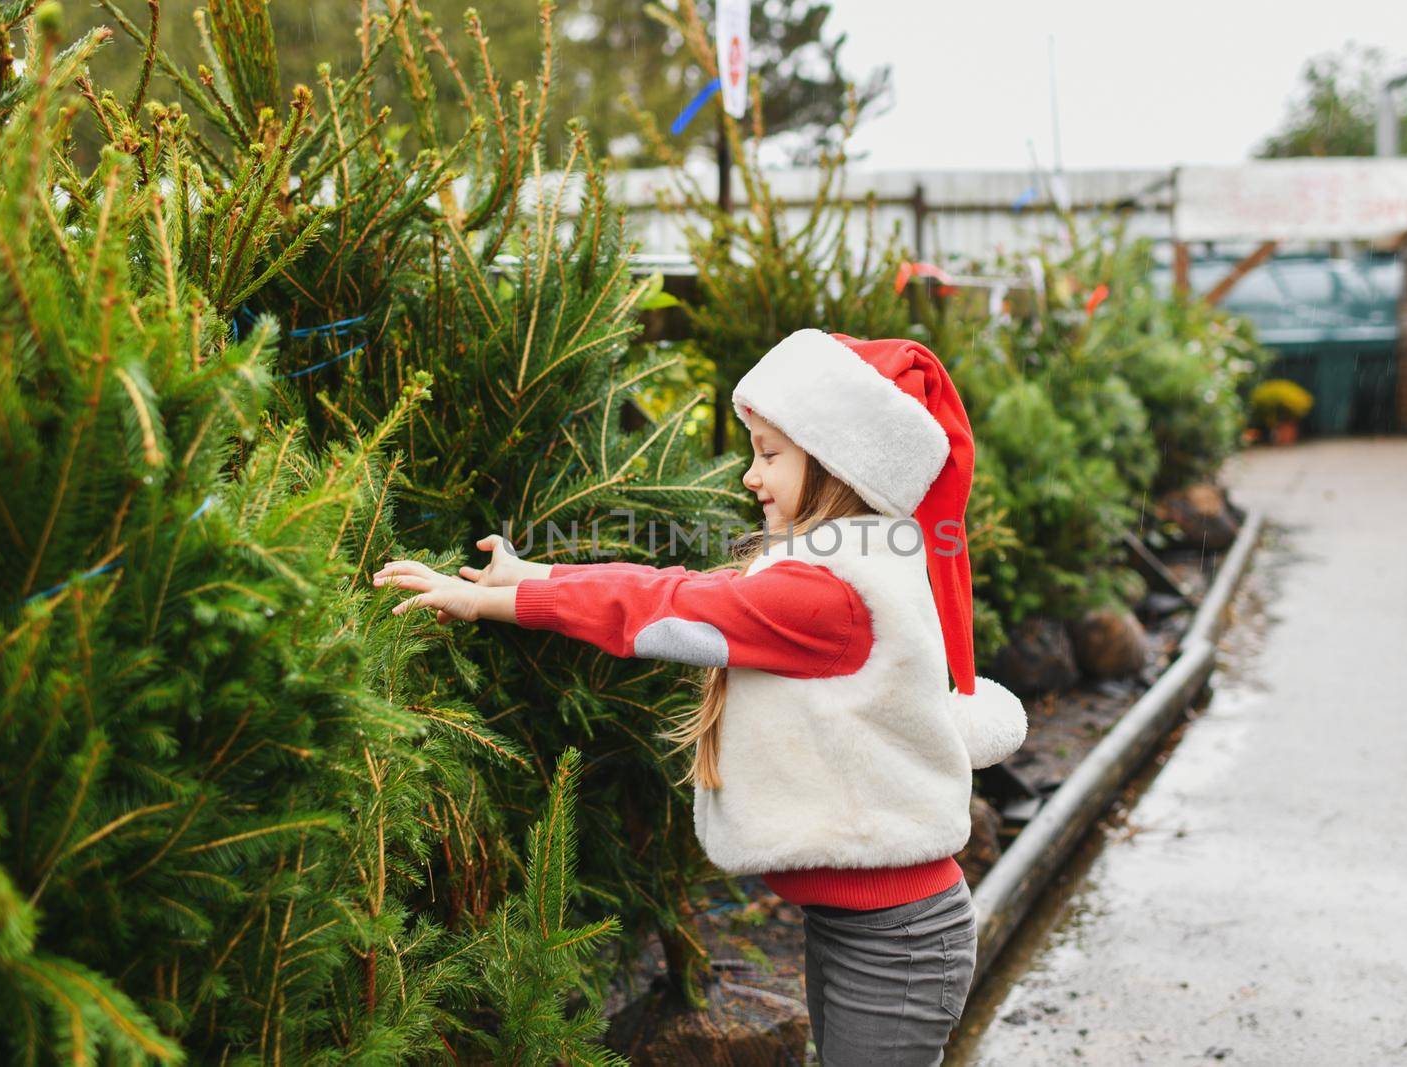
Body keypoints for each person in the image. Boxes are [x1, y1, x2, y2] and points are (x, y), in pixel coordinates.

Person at [373, 328, 1029, 1065]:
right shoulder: (847, 559)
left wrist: (505, 600)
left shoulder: (830, 590)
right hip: (868, 927)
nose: (752, 475)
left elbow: (673, 607)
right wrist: (536, 576)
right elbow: (693, 591)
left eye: (771, 454)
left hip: (894, 941)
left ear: (839, 461)